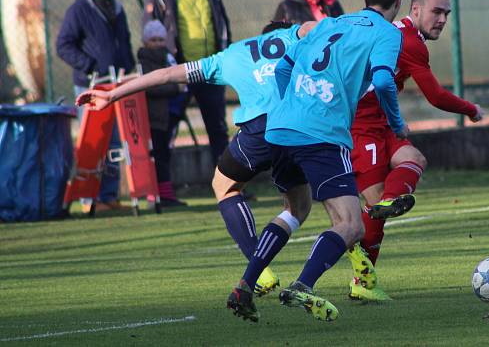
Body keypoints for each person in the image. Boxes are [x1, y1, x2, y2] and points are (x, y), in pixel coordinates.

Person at [77, 21, 317, 312]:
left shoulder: (233, 54)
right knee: (301, 207)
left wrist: (113, 94)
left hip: (260, 131)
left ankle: (259, 268)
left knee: (224, 186)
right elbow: (328, 31)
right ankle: (321, 274)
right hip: (301, 128)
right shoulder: (298, 37)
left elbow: (166, 74)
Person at [228, 0, 408, 323]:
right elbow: (385, 81)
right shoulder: (388, 33)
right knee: (351, 224)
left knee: (295, 210)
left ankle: (245, 286)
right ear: (399, 1)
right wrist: (397, 123)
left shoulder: (328, 23)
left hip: (279, 129)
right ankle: (303, 285)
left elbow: (283, 69)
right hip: (321, 134)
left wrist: (289, 108)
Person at [347, 0, 484, 301]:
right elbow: (435, 95)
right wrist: (471, 109)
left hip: (381, 124)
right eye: (436, 12)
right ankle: (360, 279)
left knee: (415, 160)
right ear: (415, 9)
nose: (442, 20)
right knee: (370, 201)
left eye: (447, 14)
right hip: (359, 126)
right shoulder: (408, 42)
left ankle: (386, 207)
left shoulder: (399, 32)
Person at [56, 0, 135, 212]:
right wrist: (90, 66)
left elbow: (124, 41)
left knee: (114, 143)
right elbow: (64, 45)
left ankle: (109, 196)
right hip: (91, 88)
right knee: (94, 142)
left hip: (116, 85)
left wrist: (129, 65)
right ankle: (89, 198)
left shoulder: (118, 8)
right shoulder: (78, 10)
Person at [143, 0, 231, 164]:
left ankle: (230, 185)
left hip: (210, 70)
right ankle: (164, 189)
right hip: (178, 72)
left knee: (218, 130)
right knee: (165, 129)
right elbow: (151, 30)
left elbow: (222, 24)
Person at [137, 20, 185, 206]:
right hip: (153, 118)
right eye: (153, 40)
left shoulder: (169, 59)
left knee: (165, 155)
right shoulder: (144, 63)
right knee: (157, 156)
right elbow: (150, 87)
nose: (157, 44)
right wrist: (174, 89)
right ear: (146, 41)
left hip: (169, 115)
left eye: (160, 40)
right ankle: (157, 196)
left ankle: (165, 194)